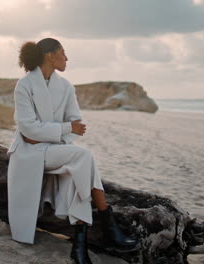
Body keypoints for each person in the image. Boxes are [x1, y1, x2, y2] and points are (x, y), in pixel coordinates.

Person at [7, 38, 138, 264]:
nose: (67, 58)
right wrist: (64, 129)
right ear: (51, 56)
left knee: (79, 172)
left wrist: (55, 134)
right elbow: (28, 132)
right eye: (63, 53)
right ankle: (109, 225)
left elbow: (78, 126)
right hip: (29, 152)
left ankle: (79, 247)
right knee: (84, 156)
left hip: (57, 148)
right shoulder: (25, 85)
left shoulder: (66, 87)